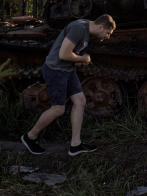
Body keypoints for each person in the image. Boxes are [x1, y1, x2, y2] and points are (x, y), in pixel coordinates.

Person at [21, 14, 116, 156]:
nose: (107, 37)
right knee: (58, 109)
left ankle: (75, 145)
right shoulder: (79, 28)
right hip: (55, 70)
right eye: (108, 33)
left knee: (80, 101)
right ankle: (30, 137)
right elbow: (63, 54)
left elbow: (71, 55)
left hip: (67, 70)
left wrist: (79, 60)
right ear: (100, 26)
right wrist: (83, 58)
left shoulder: (87, 32)